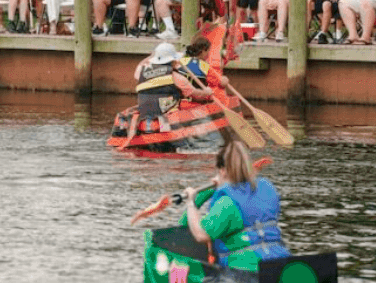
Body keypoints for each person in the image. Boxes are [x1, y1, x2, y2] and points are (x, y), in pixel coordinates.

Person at [180, 142, 291, 271]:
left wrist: (191, 202)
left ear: (222, 171)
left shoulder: (226, 203)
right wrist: (211, 190)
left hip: (245, 270)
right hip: (281, 263)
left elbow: (198, 233)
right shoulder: (268, 190)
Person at [118, 42, 215, 147]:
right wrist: (207, 92)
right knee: (195, 130)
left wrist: (152, 56)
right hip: (166, 116)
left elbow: (141, 65)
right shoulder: (176, 77)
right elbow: (194, 94)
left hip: (145, 113)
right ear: (173, 61)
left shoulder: (141, 72)